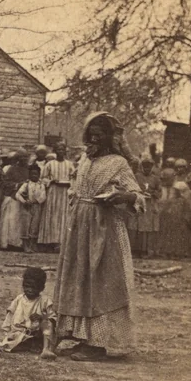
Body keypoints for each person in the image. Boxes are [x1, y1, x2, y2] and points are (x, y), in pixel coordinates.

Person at [53, 112, 144, 362]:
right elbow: (75, 189)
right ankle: (81, 335)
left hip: (104, 226)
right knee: (79, 277)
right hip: (79, 225)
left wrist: (122, 197)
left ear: (108, 137)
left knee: (100, 279)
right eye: (91, 132)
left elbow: (137, 195)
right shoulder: (84, 159)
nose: (94, 136)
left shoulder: (118, 163)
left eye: (100, 133)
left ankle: (99, 342)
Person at [0, 267, 57, 358]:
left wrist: (42, 317)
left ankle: (45, 349)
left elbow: (53, 318)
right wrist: (7, 331)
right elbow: (10, 314)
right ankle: (26, 344)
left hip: (37, 333)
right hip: (20, 331)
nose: (29, 290)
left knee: (47, 323)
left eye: (33, 287)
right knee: (11, 342)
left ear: (41, 288)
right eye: (26, 286)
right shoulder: (19, 299)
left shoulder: (45, 301)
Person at [38, 142, 73, 252]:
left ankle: (61, 243)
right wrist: (51, 181)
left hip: (65, 192)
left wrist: (69, 183)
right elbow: (42, 178)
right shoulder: (50, 164)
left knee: (63, 215)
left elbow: (74, 178)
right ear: (55, 151)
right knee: (52, 215)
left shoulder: (69, 164)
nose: (60, 152)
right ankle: (49, 242)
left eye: (62, 149)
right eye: (58, 149)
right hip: (53, 191)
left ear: (65, 151)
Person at [154, 168, 191, 259]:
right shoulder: (162, 188)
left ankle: (177, 252)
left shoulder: (180, 187)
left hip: (177, 217)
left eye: (167, 179)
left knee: (177, 236)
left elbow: (186, 203)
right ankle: (163, 251)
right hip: (164, 214)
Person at [0, 149, 29, 250]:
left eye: (26, 158)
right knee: (11, 220)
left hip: (24, 198)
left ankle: (19, 243)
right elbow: (5, 183)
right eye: (22, 158)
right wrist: (18, 185)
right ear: (18, 159)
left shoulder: (29, 169)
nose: (24, 160)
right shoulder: (11, 169)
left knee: (22, 221)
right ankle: (9, 243)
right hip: (12, 197)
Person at [16, 165, 46, 253]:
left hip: (36, 206)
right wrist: (24, 201)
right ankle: (25, 245)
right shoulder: (26, 184)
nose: (34, 176)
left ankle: (33, 244)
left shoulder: (41, 185)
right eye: (32, 174)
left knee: (35, 225)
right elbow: (18, 194)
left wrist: (36, 201)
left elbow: (43, 196)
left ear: (39, 175)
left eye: (36, 174)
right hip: (26, 207)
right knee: (26, 224)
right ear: (29, 175)